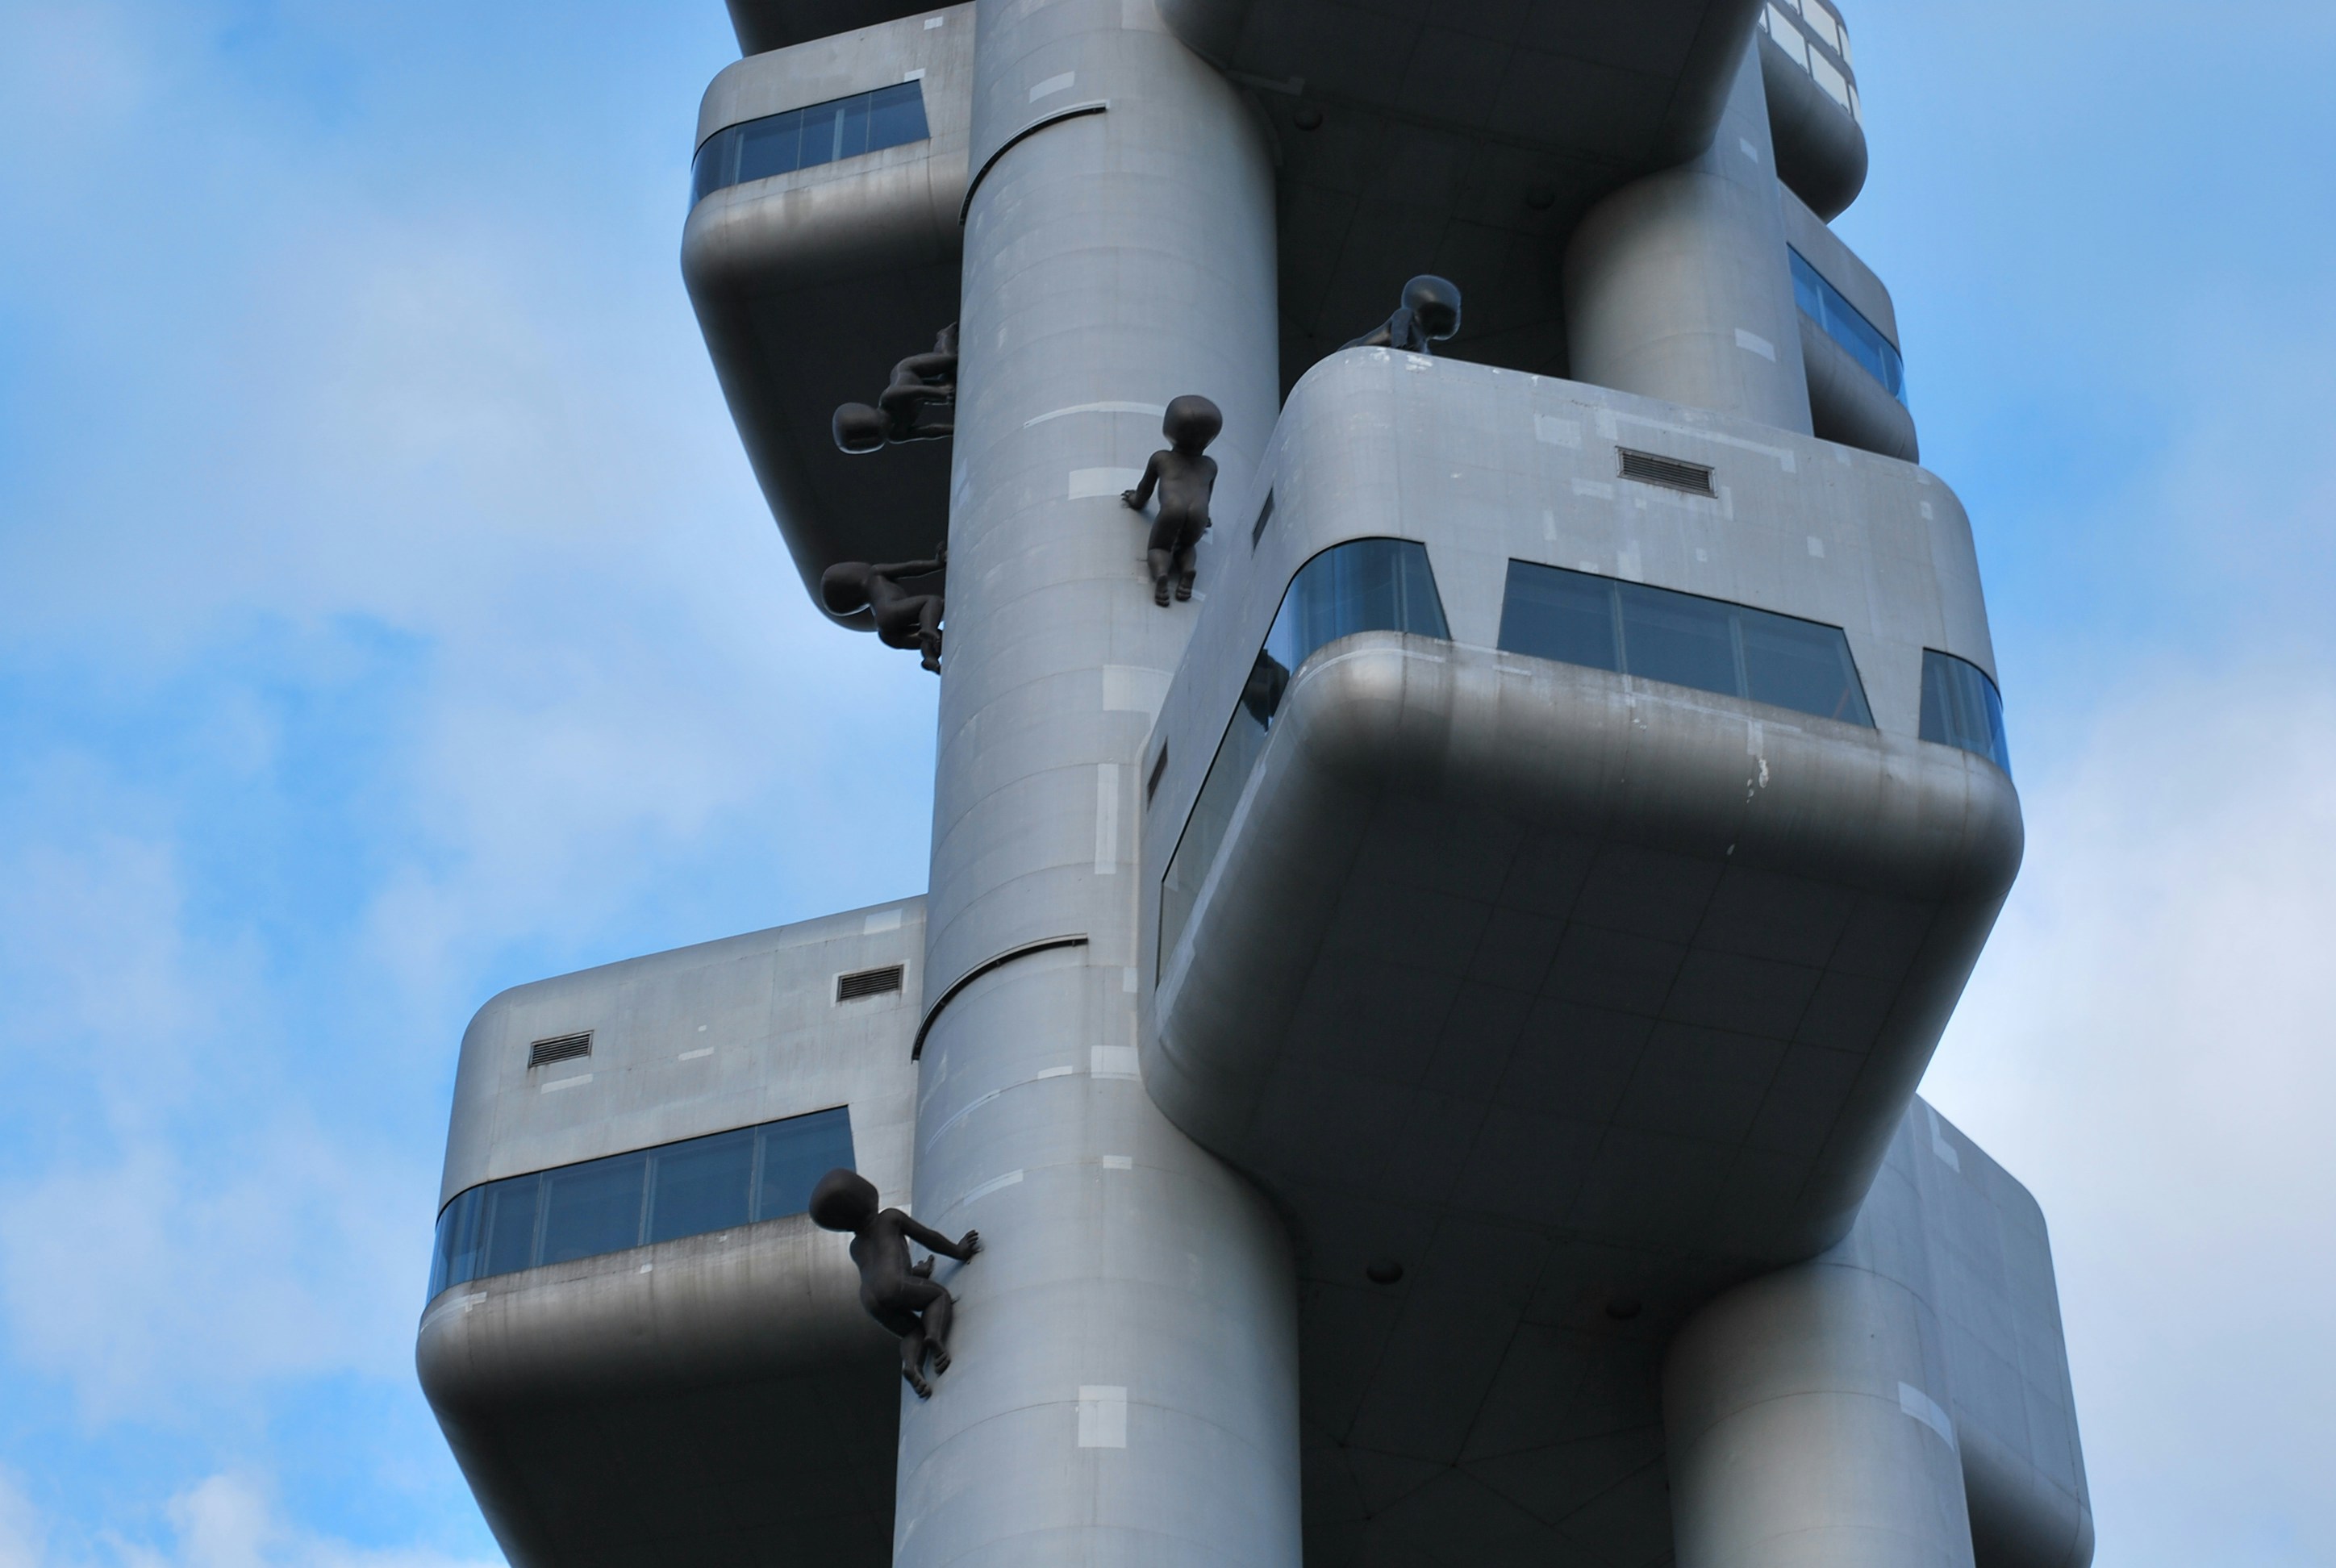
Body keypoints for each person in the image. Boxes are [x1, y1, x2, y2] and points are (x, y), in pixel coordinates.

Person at [807, 1168, 981, 1399]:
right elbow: (928, 1238)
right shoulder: (890, 1217)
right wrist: (958, 1251)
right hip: (895, 1284)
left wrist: (917, 1273)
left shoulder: (856, 1247)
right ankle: (935, 1337)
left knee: (910, 1331)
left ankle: (911, 1365)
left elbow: (881, 1272)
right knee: (938, 1297)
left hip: (870, 1299)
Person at [1120, 395, 1224, 606]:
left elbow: (1144, 492)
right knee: (1186, 545)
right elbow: (1207, 496)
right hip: (1199, 512)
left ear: (1168, 430)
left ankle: (1161, 575)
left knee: (1159, 547)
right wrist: (1205, 520)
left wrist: (1135, 500)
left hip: (1172, 508)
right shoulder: (1210, 466)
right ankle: (1187, 571)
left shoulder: (1161, 458)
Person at [820, 545, 946, 672]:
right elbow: (909, 568)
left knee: (935, 638)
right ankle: (928, 628)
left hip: (884, 631)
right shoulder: (875, 572)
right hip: (891, 608)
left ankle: (930, 658)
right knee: (931, 601)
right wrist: (936, 564)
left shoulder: (870, 594)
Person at [1342, 274, 1462, 355]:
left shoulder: (1424, 347)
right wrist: (1400, 347)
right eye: (1459, 307)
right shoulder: (1405, 315)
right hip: (1351, 352)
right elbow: (1400, 330)